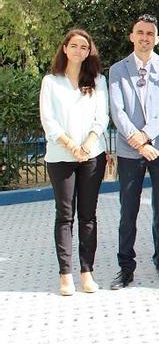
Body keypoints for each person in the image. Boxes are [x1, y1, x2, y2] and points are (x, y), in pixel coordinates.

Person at [108, 14, 159, 289]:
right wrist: (138, 142)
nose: (144, 37)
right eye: (140, 32)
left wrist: (148, 137)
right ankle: (126, 268)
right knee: (128, 211)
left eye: (150, 33)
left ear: (157, 38)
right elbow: (117, 110)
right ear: (132, 35)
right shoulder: (118, 69)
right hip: (130, 150)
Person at [39, 29, 109, 296]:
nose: (79, 50)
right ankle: (65, 274)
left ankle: (86, 272)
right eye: (75, 45)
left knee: (88, 217)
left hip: (92, 156)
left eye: (85, 46)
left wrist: (89, 144)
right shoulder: (51, 81)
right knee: (65, 216)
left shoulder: (98, 80)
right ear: (65, 48)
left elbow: (102, 117)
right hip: (61, 157)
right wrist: (70, 145)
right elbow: (49, 120)